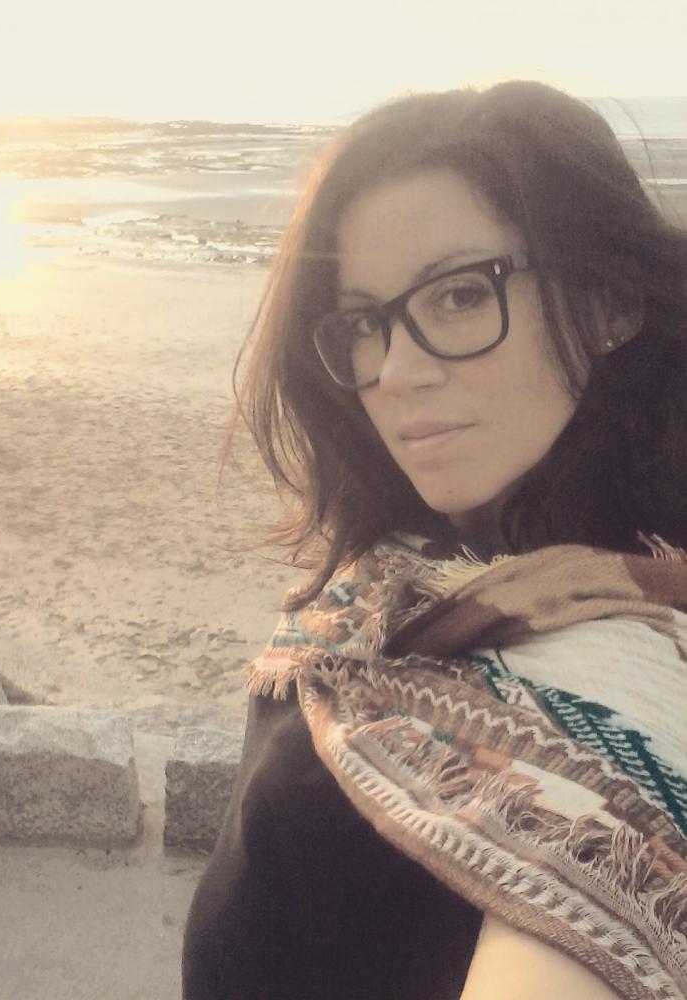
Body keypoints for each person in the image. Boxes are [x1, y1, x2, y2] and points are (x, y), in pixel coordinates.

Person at [182, 81, 687, 999]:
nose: (398, 370)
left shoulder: (632, 660)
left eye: (459, 294)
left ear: (613, 303)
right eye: (363, 323)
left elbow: (591, 883)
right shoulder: (402, 578)